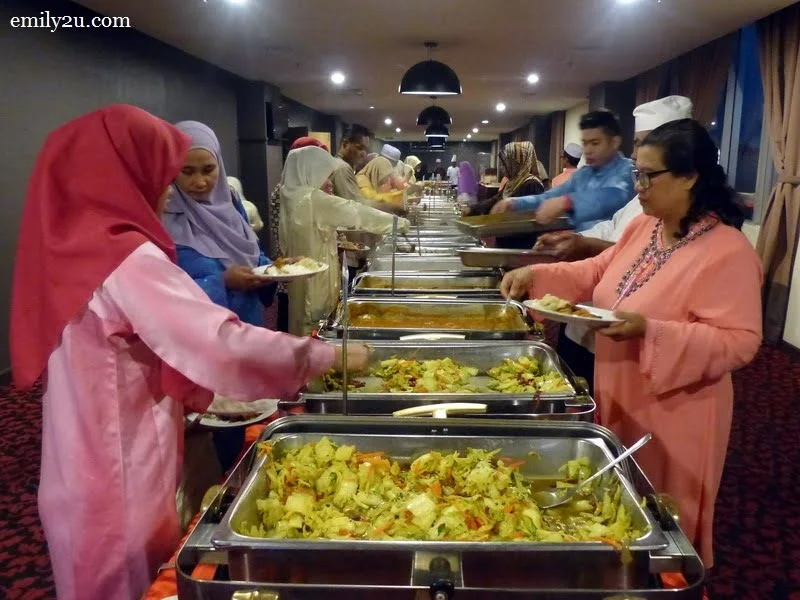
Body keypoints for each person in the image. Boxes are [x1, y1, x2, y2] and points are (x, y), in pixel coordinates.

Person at [10, 105, 368, 600]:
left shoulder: (73, 244)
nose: (166, 188)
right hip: (118, 469)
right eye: (160, 174)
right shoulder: (127, 258)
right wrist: (324, 357)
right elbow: (215, 341)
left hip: (79, 459)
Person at [500, 119, 762, 567]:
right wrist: (536, 275)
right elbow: (597, 272)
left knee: (662, 512)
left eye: (648, 176)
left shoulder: (729, 250)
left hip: (679, 406)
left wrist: (651, 330)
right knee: (616, 501)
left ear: (689, 176)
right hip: (620, 383)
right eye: (636, 174)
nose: (637, 186)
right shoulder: (645, 227)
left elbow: (740, 343)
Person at [537, 97, 695, 390]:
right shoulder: (645, 203)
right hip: (593, 318)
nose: (637, 155)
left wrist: (650, 329)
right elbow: (611, 235)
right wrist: (573, 242)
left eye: (645, 143)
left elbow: (734, 341)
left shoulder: (709, 237)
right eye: (637, 145)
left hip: (638, 346)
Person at [281, 146, 409, 335]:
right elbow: (354, 211)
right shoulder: (312, 199)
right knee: (317, 327)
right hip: (317, 282)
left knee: (302, 326)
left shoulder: (290, 194)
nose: (329, 183)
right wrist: (398, 223)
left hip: (301, 280)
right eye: (325, 176)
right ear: (310, 172)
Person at [164, 121, 275, 329]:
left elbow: (248, 252)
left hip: (249, 326)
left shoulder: (231, 205)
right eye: (187, 171)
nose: (200, 182)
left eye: (208, 169)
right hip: (200, 337)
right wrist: (222, 281)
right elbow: (160, 297)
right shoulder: (162, 216)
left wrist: (275, 268)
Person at [492, 110, 635, 233]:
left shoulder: (629, 170)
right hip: (584, 250)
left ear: (615, 142)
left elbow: (615, 196)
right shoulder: (583, 174)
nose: (588, 150)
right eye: (585, 143)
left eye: (595, 143)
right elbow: (550, 196)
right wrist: (514, 203)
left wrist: (567, 202)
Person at [269, 136, 328, 332]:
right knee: (292, 319)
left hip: (302, 263)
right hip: (292, 264)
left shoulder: (301, 189)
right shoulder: (287, 191)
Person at [468, 141, 545, 217]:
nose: (502, 168)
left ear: (517, 163)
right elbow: (495, 200)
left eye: (506, 163)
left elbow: (530, 215)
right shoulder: (512, 182)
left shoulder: (532, 184)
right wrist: (472, 209)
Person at [330, 123, 371, 201]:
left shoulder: (337, 163)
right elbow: (357, 206)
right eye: (359, 148)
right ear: (345, 144)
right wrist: (392, 207)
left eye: (366, 149)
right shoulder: (342, 168)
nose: (364, 154)